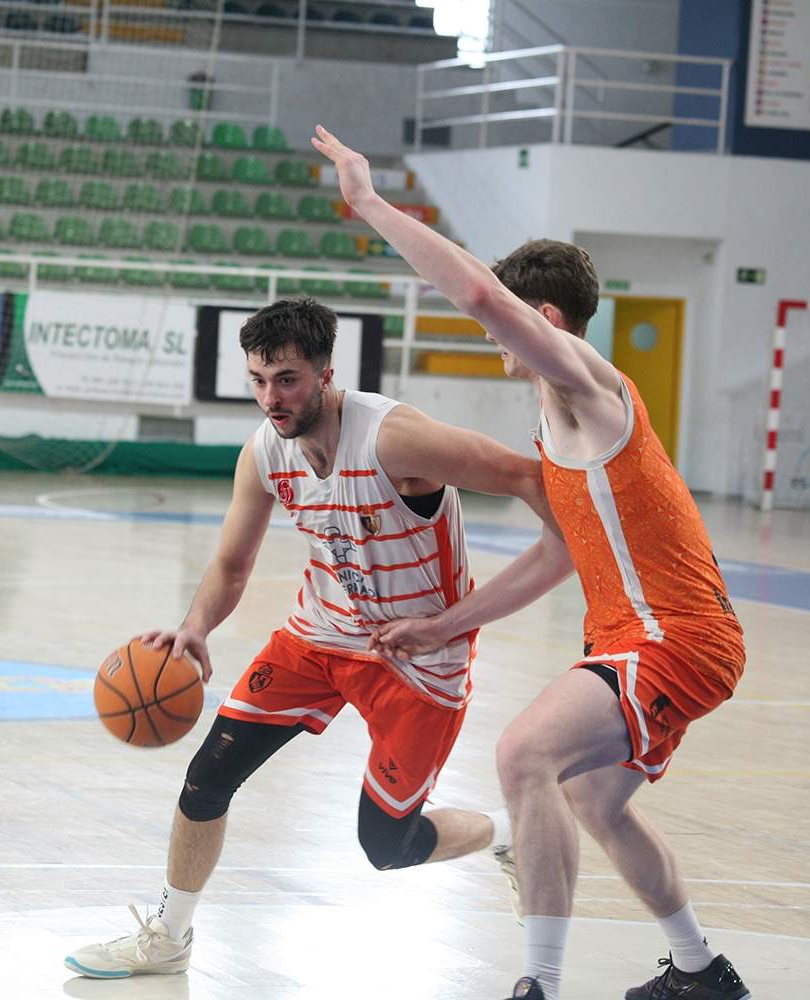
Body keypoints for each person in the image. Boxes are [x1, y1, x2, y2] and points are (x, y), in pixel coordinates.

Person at [312, 125, 751, 1000]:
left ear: (544, 319)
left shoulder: (589, 387)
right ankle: (703, 973)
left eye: (508, 321)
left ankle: (538, 986)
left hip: (674, 638)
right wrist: (444, 622)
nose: (492, 336)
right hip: (649, 635)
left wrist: (367, 202)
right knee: (592, 800)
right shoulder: (557, 429)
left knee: (522, 756)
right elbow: (558, 554)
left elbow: (476, 289)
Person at [63, 296, 570, 980]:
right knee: (207, 778)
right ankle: (170, 936)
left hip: (417, 660)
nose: (272, 397)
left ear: (326, 374)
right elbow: (231, 563)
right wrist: (195, 627)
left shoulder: (398, 439)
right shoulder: (266, 452)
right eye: (259, 380)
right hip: (318, 638)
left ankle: (504, 832)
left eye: (289, 379)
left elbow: (527, 478)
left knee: (388, 844)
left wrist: (483, 604)